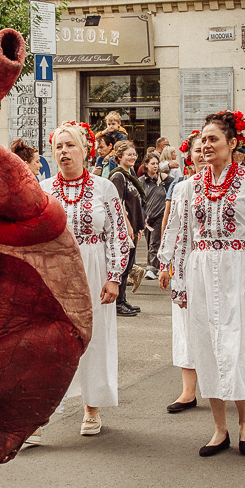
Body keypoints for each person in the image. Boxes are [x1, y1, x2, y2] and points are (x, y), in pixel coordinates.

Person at [165, 111, 245, 456]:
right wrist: (179, 281)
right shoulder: (188, 187)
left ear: (232, 143)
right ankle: (219, 428)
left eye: (213, 139)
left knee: (237, 344)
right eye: (203, 140)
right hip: (200, 270)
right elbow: (181, 236)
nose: (206, 145)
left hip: (239, 270)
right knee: (207, 346)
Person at [35, 122, 130, 440]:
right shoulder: (44, 189)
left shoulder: (105, 188)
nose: (64, 152)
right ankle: (42, 413)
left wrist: (115, 278)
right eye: (58, 147)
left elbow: (118, 235)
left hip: (94, 268)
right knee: (52, 342)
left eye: (70, 145)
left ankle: (92, 407)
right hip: (57, 272)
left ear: (84, 150)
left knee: (94, 338)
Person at [158, 133, 202, 413]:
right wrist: (165, 263)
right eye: (197, 150)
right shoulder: (182, 186)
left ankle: (224, 388)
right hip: (185, 264)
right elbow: (171, 225)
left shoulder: (237, 185)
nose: (202, 154)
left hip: (220, 264)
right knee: (185, 325)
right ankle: (188, 392)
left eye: (207, 148)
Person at [109, 140, 145, 316]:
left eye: (134, 154)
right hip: (125, 228)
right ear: (119, 156)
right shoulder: (118, 176)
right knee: (123, 267)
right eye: (129, 154)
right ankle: (117, 303)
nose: (133, 157)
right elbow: (118, 204)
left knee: (129, 264)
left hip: (134, 227)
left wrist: (139, 226)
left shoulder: (129, 175)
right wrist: (128, 226)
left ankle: (122, 300)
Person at [138, 151, 171, 278]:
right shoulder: (141, 181)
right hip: (147, 216)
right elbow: (138, 199)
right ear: (146, 165)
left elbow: (176, 186)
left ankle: (151, 268)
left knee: (155, 242)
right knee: (149, 243)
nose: (155, 166)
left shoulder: (164, 179)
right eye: (152, 163)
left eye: (157, 163)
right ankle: (156, 267)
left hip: (160, 215)